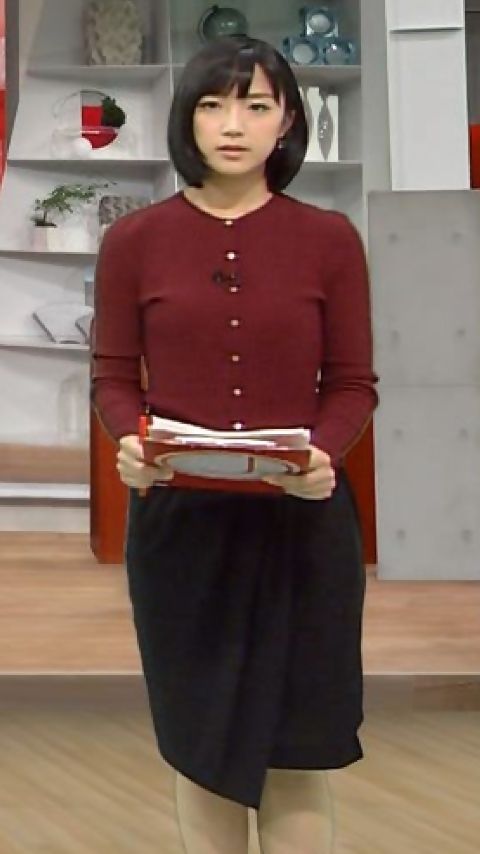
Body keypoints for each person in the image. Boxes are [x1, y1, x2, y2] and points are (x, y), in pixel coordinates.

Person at [91, 34, 379, 854]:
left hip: (302, 526)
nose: (232, 124)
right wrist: (132, 441)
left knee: (298, 755)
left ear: (286, 122)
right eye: (214, 104)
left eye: (256, 106)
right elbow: (113, 376)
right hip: (183, 528)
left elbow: (352, 383)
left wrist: (323, 454)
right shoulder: (134, 240)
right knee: (203, 753)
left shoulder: (330, 239)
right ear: (188, 117)